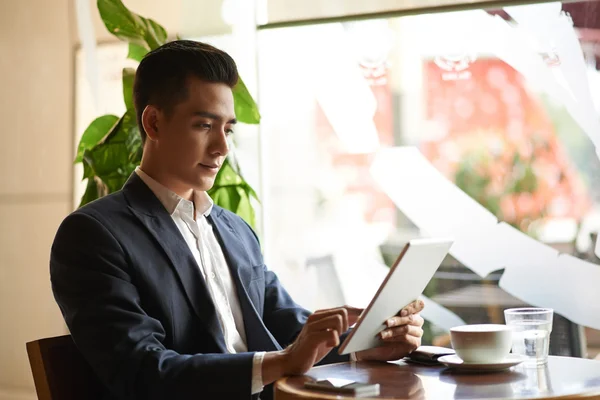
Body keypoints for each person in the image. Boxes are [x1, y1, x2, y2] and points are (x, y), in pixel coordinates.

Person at [50, 40, 425, 400]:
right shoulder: (94, 234)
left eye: (228, 128)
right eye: (203, 125)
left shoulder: (234, 230)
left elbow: (291, 329)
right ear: (153, 123)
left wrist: (368, 344)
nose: (222, 147)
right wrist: (283, 361)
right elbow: (143, 371)